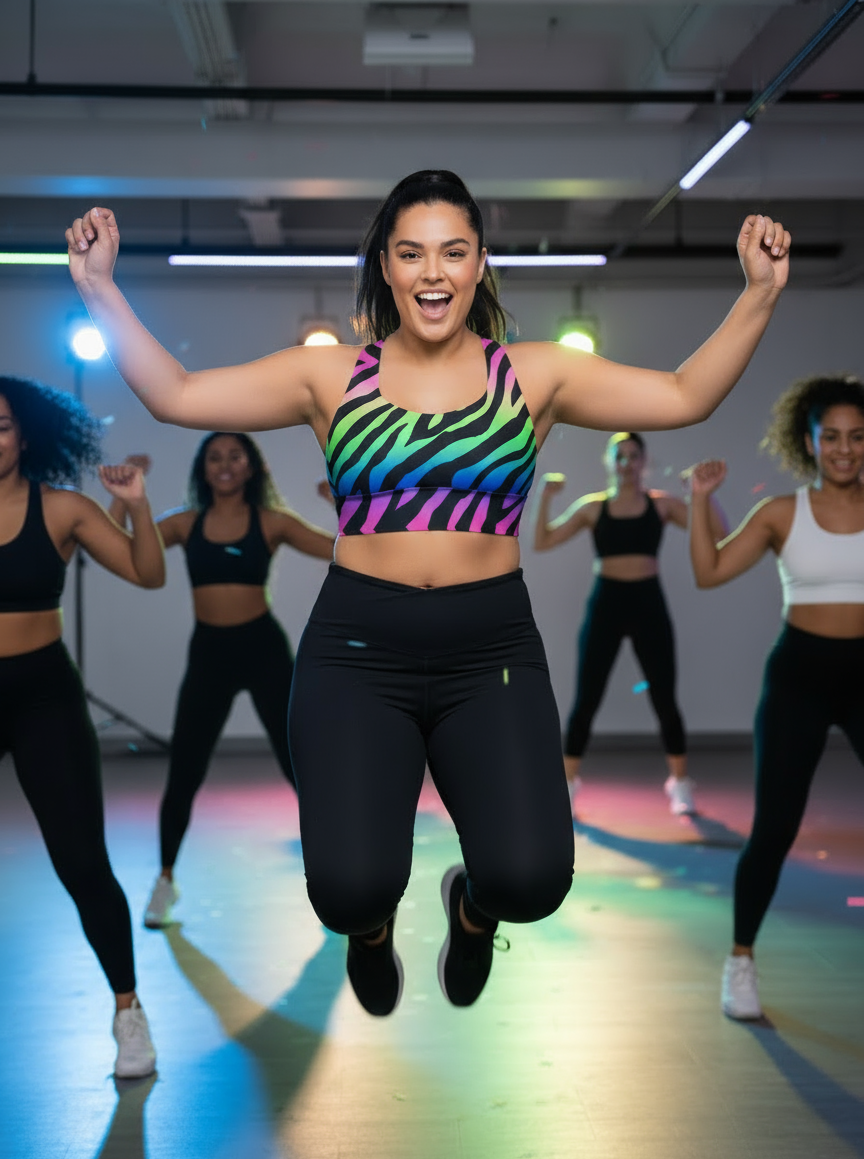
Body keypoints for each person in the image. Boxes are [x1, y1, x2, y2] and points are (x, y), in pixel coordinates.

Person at [66, 169, 790, 1017]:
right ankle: (369, 934)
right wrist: (99, 290)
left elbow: (682, 395)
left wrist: (759, 294)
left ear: (481, 264)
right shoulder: (331, 377)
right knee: (347, 890)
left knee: (530, 879)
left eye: (453, 252)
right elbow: (179, 395)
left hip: (491, 652)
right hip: (357, 650)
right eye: (411, 253)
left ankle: (471, 910)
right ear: (384, 264)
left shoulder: (537, 374)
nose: (433, 272)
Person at [0, 376, 164, 1075]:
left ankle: (129, 1012)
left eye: (0, 425)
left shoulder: (61, 508)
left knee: (82, 863)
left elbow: (146, 573)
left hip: (43, 696)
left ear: (25, 434)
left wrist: (136, 507)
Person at [689, 374, 864, 1021]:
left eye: (857, 438)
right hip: (800, 678)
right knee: (774, 828)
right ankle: (740, 962)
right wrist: (702, 502)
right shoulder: (782, 515)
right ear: (810, 443)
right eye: (833, 438)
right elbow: (708, 575)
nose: (845, 449)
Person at [107, 436, 334, 928]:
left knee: (298, 762)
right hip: (210, 653)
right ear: (203, 469)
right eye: (215, 457)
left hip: (263, 650)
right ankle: (165, 879)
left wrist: (342, 503)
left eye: (236, 456)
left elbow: (342, 551)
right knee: (185, 770)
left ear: (251, 467)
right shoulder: (186, 522)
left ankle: (333, 874)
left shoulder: (272, 521)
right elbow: (119, 544)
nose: (225, 465)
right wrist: (125, 499)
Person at [534, 432, 727, 814]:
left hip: (647, 603)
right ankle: (567, 784)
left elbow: (719, 532)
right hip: (606, 603)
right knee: (587, 698)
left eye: (632, 456)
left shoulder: (661, 506)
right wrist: (545, 495)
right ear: (609, 462)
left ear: (644, 461)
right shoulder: (594, 507)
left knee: (664, 697)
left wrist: (703, 494)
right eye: (619, 456)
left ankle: (680, 784)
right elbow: (543, 541)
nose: (626, 463)